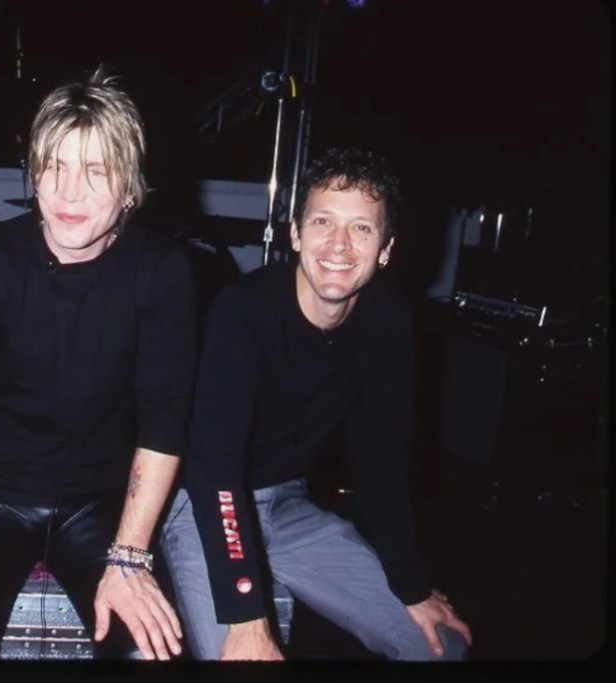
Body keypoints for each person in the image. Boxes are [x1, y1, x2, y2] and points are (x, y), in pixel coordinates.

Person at [0, 66, 198, 661]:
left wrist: (130, 557)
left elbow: (166, 422)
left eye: (95, 170)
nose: (68, 192)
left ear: (130, 187)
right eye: (53, 166)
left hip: (101, 502)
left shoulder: (163, 271)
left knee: (151, 655)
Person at [159, 147, 474, 661]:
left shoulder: (389, 321)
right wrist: (246, 614)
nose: (339, 245)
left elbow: (381, 465)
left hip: (286, 505)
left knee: (441, 647)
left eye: (361, 228)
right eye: (323, 221)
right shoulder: (244, 312)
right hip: (205, 505)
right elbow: (214, 471)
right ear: (295, 234)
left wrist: (411, 585)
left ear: (386, 249)